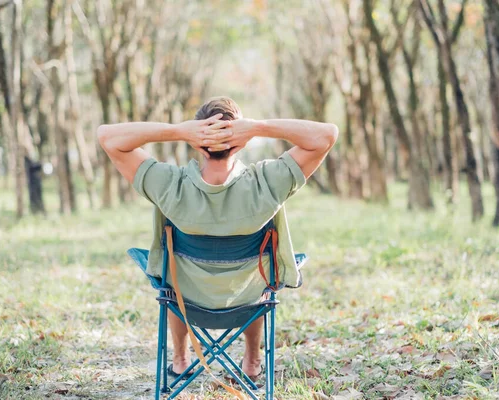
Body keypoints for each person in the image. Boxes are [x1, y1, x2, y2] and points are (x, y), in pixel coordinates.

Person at [97, 96, 338, 380]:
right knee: (257, 278)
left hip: (187, 302)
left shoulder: (170, 185)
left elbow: (107, 137)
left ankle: (180, 358)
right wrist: (257, 127)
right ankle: (252, 360)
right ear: (240, 138)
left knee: (172, 277)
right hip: (247, 301)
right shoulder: (267, 183)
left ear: (197, 140)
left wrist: (179, 131)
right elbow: (327, 135)